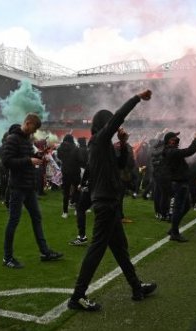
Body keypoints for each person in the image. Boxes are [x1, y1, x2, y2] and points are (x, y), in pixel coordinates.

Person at [68, 90, 156, 311]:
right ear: (104, 124)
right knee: (97, 249)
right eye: (110, 123)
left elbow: (120, 165)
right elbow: (117, 118)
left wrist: (124, 144)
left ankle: (136, 287)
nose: (114, 127)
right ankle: (77, 296)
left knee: (120, 248)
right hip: (105, 203)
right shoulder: (98, 141)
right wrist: (136, 98)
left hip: (110, 203)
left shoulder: (102, 145)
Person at [2, 113, 63, 269]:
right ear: (27, 123)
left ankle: (44, 252)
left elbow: (29, 154)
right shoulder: (12, 139)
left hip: (28, 187)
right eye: (33, 128)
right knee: (13, 221)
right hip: (17, 187)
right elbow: (7, 161)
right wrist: (29, 160)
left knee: (37, 217)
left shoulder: (26, 139)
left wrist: (39, 154)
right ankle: (7, 257)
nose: (34, 132)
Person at [162, 130, 196, 242]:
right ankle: (174, 233)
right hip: (179, 182)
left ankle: (173, 228)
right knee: (178, 208)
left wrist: (172, 135)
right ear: (169, 141)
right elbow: (189, 151)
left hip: (181, 181)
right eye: (174, 139)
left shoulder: (170, 150)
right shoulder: (171, 151)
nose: (176, 140)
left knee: (186, 207)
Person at [57, 134, 81, 218]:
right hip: (75, 172)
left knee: (66, 192)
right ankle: (77, 210)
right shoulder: (76, 148)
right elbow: (80, 160)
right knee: (77, 191)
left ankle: (65, 212)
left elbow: (59, 157)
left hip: (65, 172)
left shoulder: (60, 148)